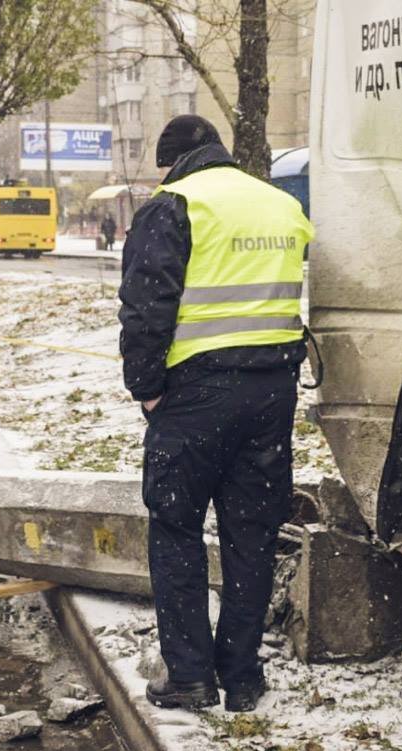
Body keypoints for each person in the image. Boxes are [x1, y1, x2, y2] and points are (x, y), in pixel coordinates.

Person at [118, 115, 314, 714]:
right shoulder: (281, 204)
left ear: (174, 161)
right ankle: (243, 677)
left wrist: (147, 389)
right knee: (251, 534)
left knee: (176, 527)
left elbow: (146, 305)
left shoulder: (175, 204)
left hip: (197, 394)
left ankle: (191, 678)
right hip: (273, 389)